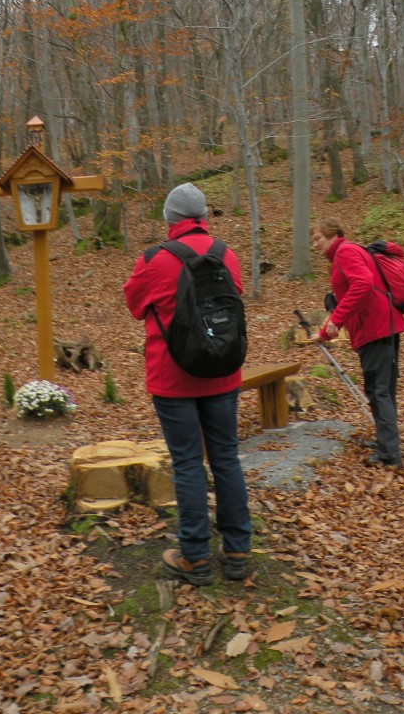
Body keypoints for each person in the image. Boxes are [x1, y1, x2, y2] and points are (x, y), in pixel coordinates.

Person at [123, 183, 251, 585]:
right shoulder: (226, 254)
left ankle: (195, 557)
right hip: (222, 373)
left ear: (170, 220)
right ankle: (237, 550)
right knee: (227, 458)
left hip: (173, 378)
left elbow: (133, 304)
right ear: (203, 217)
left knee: (187, 463)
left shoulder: (153, 260)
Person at [311, 218, 404, 469]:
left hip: (376, 329)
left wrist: (334, 321)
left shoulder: (345, 252)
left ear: (333, 234)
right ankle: (386, 443)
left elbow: (362, 284)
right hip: (376, 328)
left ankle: (390, 453)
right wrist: (325, 332)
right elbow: (349, 298)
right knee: (379, 389)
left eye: (317, 238)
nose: (314, 244)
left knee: (379, 390)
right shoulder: (343, 255)